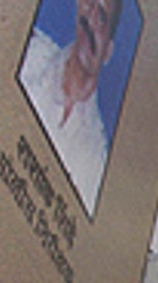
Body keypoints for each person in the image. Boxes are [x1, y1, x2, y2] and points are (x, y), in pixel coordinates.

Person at [18, 0, 121, 212]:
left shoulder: (95, 160)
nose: (91, 21)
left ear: (108, 52)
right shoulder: (28, 53)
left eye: (101, 17)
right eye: (89, 5)